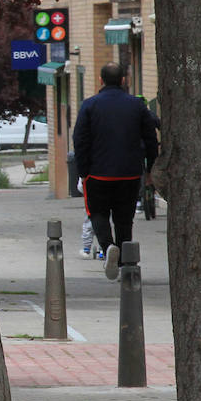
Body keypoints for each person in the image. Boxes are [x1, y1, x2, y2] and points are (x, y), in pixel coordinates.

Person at [73, 62, 159, 280]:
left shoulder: (89, 106)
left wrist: (83, 171)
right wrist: (150, 169)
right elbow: (150, 139)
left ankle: (108, 246)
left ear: (101, 80)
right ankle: (123, 264)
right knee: (124, 219)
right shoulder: (137, 106)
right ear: (123, 80)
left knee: (98, 214)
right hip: (129, 173)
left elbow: (79, 140)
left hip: (97, 173)